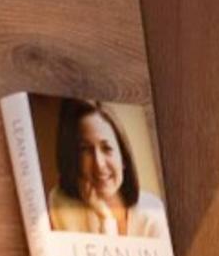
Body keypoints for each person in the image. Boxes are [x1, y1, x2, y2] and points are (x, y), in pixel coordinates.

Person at [48, 98, 167, 239]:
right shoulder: (62, 204)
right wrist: (105, 218)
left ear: (123, 158)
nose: (99, 164)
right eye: (86, 150)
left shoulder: (152, 211)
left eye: (107, 148)